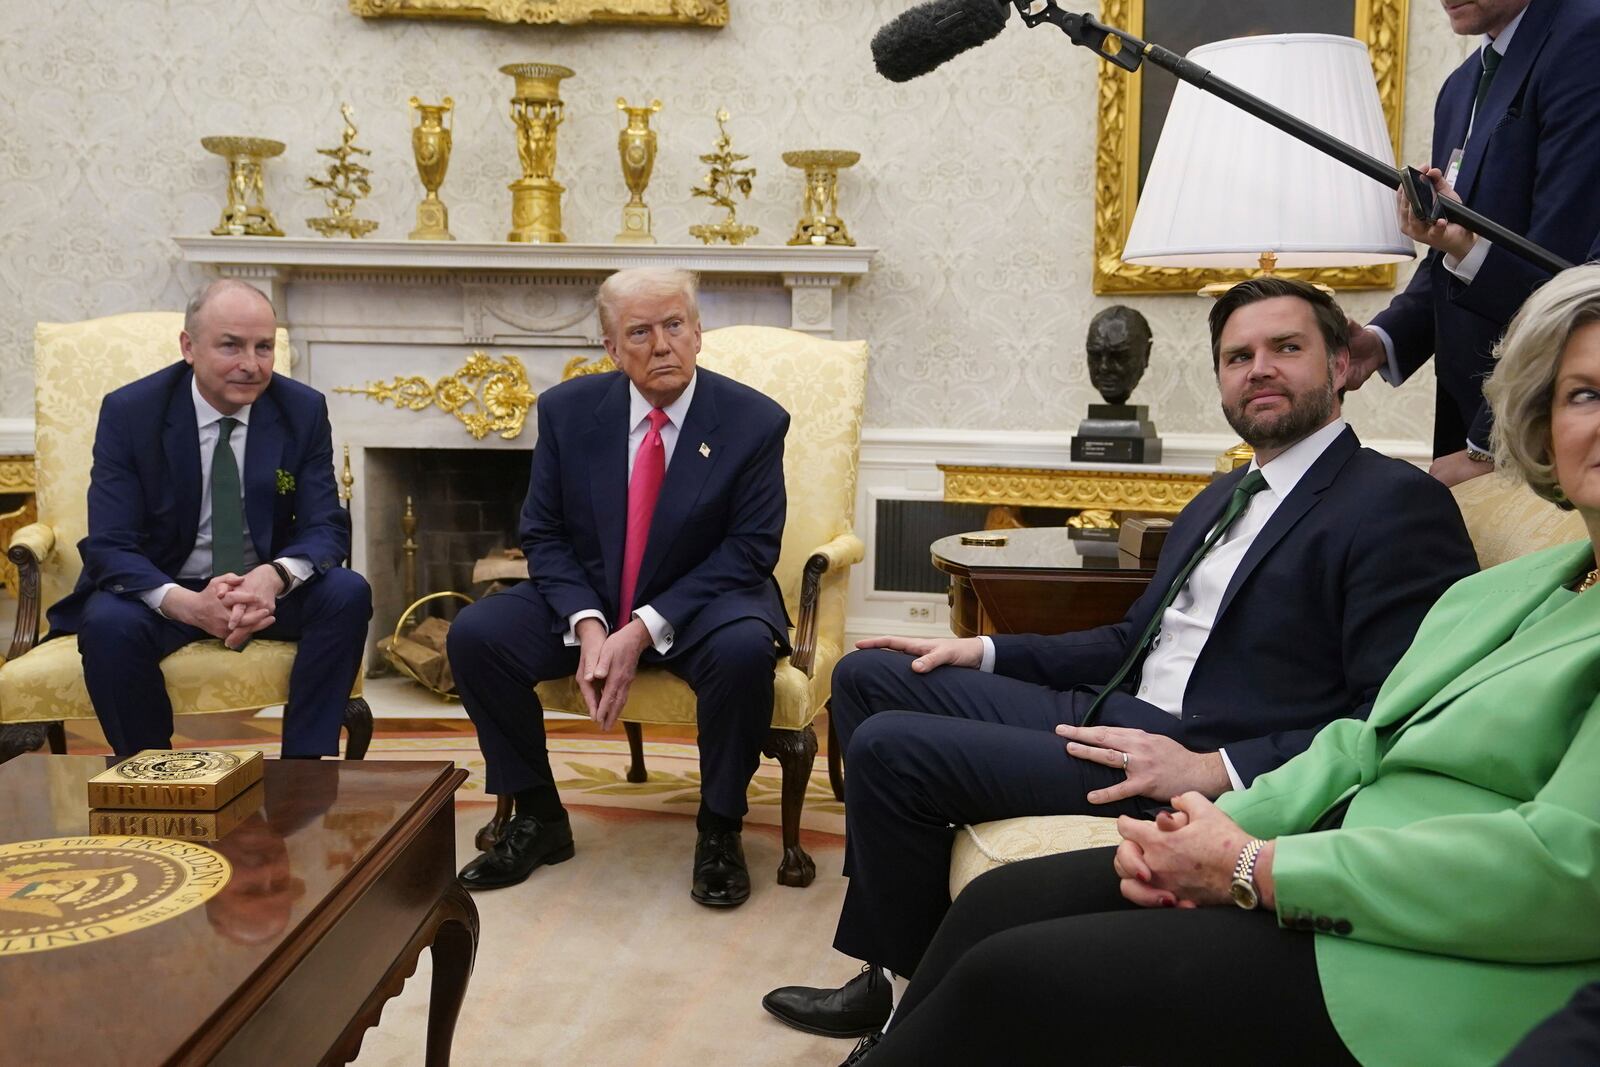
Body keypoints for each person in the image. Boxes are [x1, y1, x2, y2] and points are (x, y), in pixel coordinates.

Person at [843, 262, 1600, 1067]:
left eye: (1286, 347)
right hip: (1181, 752)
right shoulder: (1230, 499)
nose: (1260, 368)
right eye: (1238, 357)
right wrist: (986, 649)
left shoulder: (1393, 501)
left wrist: (1222, 787)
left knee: (909, 779)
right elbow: (1363, 733)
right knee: (879, 688)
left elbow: (1383, 720)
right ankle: (890, 1007)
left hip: (1324, 858)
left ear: (1344, 365)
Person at [448, 267, 790, 908]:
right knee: (477, 635)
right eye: (639, 331)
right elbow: (543, 533)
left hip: (705, 602)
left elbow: (749, 550)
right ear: (610, 347)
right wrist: (589, 624)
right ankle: (539, 816)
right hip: (598, 597)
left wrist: (642, 629)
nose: (661, 345)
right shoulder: (567, 411)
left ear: (697, 332)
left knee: (745, 654)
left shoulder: (754, 422)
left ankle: (720, 829)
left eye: (674, 326)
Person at [46, 280, 370, 759]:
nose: (251, 364)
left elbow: (327, 527)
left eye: (264, 347)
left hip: (261, 592)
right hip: (166, 588)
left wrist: (273, 577)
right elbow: (110, 545)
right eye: (231, 346)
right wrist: (188, 605)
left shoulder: (301, 409)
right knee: (107, 622)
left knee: (347, 593)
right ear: (188, 347)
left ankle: (305, 771)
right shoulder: (132, 413)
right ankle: (150, 772)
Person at [1347, 0, 1600, 485]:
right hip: (1467, 417)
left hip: (1537, 437)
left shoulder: (1585, 40)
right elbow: (1450, 253)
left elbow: (1567, 282)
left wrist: (1487, 448)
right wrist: (1381, 342)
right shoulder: (1460, 85)